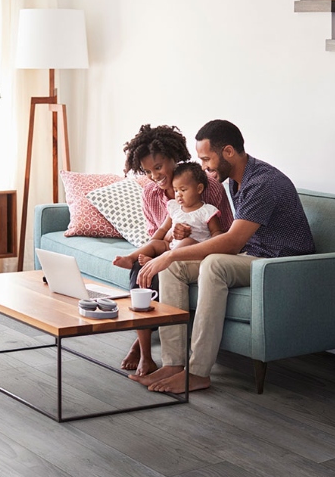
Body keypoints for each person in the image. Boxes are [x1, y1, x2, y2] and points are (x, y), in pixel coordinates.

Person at [131, 119, 315, 393]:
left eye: (206, 159)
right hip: (253, 256)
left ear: (228, 151)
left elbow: (231, 242)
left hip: (280, 263)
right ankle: (173, 364)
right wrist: (171, 256)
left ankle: (198, 373)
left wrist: (168, 255)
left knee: (212, 264)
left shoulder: (263, 182)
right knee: (173, 268)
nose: (204, 167)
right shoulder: (238, 181)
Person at [113, 124, 234, 376]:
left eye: (158, 167)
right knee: (140, 270)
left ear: (173, 158)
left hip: (200, 250)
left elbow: (221, 233)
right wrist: (167, 239)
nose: (155, 176)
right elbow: (157, 235)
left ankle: (140, 344)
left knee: (160, 267)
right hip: (168, 248)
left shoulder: (206, 185)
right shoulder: (150, 192)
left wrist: (179, 239)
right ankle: (145, 354)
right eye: (148, 171)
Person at [114, 161, 223, 269]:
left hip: (194, 250)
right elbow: (163, 229)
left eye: (183, 190)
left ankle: (157, 261)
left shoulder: (207, 211)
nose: (178, 194)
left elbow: (217, 233)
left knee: (188, 241)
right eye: (176, 190)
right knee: (155, 244)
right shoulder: (174, 207)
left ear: (199, 189)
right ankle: (130, 258)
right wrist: (152, 242)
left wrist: (210, 246)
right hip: (171, 246)